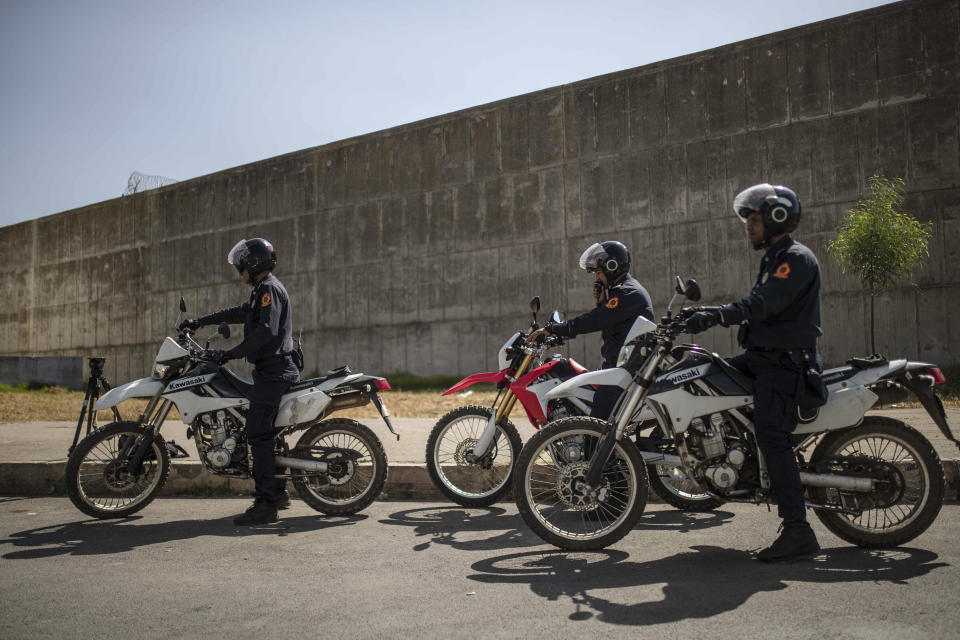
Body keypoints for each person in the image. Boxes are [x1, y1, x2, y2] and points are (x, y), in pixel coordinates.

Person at [684, 183, 822, 563]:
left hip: (783, 365)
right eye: (748, 218)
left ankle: (798, 530)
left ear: (777, 218)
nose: (748, 225)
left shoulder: (793, 259)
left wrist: (713, 314)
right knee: (707, 372)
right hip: (764, 358)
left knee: (771, 437)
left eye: (755, 218)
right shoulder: (774, 258)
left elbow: (761, 305)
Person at [180, 238, 300, 526]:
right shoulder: (263, 288)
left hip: (275, 373)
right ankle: (279, 492)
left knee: (257, 433)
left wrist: (229, 354)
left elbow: (265, 332)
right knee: (266, 431)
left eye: (241, 265)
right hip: (271, 371)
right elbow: (239, 312)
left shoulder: (269, 288)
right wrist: (199, 321)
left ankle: (266, 505)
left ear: (253, 263)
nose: (239, 270)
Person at [528, 240, 654, 420]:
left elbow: (593, 321)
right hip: (621, 366)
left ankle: (593, 446)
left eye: (598, 272)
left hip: (627, 371)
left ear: (612, 267)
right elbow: (610, 324)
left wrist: (554, 329)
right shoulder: (623, 291)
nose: (596, 279)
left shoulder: (627, 293)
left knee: (596, 425)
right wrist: (602, 303)